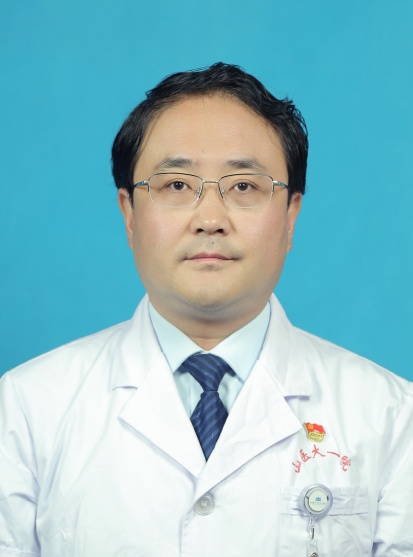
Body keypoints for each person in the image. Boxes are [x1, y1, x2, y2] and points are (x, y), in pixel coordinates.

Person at [0, 62, 412, 557]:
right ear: (129, 214)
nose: (211, 219)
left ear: (291, 216)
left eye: (244, 187)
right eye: (176, 185)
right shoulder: (24, 409)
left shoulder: (392, 417)